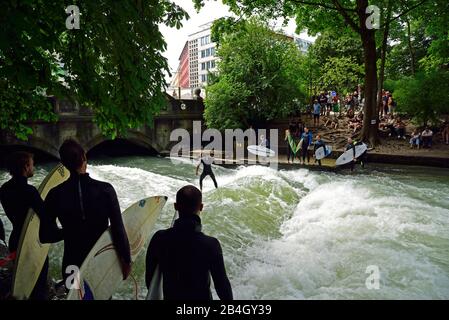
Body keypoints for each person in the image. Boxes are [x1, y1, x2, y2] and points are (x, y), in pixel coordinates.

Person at [40, 139, 131, 287]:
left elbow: (44, 236)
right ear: (84, 157)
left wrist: (69, 231)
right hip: (101, 261)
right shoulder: (105, 190)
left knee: (75, 295)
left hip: (71, 264)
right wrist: (126, 261)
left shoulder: (55, 194)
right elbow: (118, 229)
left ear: (63, 163)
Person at [145, 185, 233, 300]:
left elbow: (150, 281)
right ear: (201, 207)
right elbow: (222, 286)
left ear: (175, 206)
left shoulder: (160, 239)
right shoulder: (210, 245)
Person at [0, 152, 52, 299]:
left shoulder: (4, 189)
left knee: (22, 284)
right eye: (32, 164)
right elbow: (46, 217)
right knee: (38, 285)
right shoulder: (30, 192)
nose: (33, 167)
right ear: (25, 167)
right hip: (32, 243)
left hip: (15, 240)